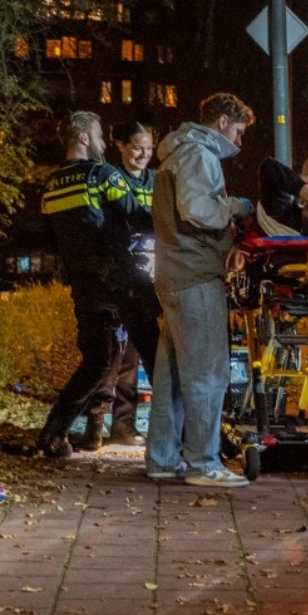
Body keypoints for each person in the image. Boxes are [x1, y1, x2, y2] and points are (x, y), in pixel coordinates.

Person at [34, 111, 160, 459]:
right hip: (121, 280)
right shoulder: (102, 174)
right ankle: (177, 437)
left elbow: (50, 243)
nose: (104, 143)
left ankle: (53, 434)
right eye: (101, 137)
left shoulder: (50, 185)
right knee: (155, 354)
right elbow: (140, 217)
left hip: (84, 284)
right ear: (85, 139)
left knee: (97, 361)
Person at [145, 92, 254, 487]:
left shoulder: (174, 153)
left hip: (173, 272)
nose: (239, 143)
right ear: (223, 122)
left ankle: (161, 457)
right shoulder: (198, 154)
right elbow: (198, 209)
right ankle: (204, 463)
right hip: (194, 273)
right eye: (239, 132)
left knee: (172, 375)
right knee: (208, 371)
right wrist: (235, 207)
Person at [78, 121, 159, 450]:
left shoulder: (156, 181)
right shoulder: (111, 176)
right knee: (113, 349)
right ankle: (96, 421)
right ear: (121, 146)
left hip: (150, 275)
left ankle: (124, 425)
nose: (143, 155)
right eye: (137, 147)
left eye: (149, 150)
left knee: (135, 356)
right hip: (117, 274)